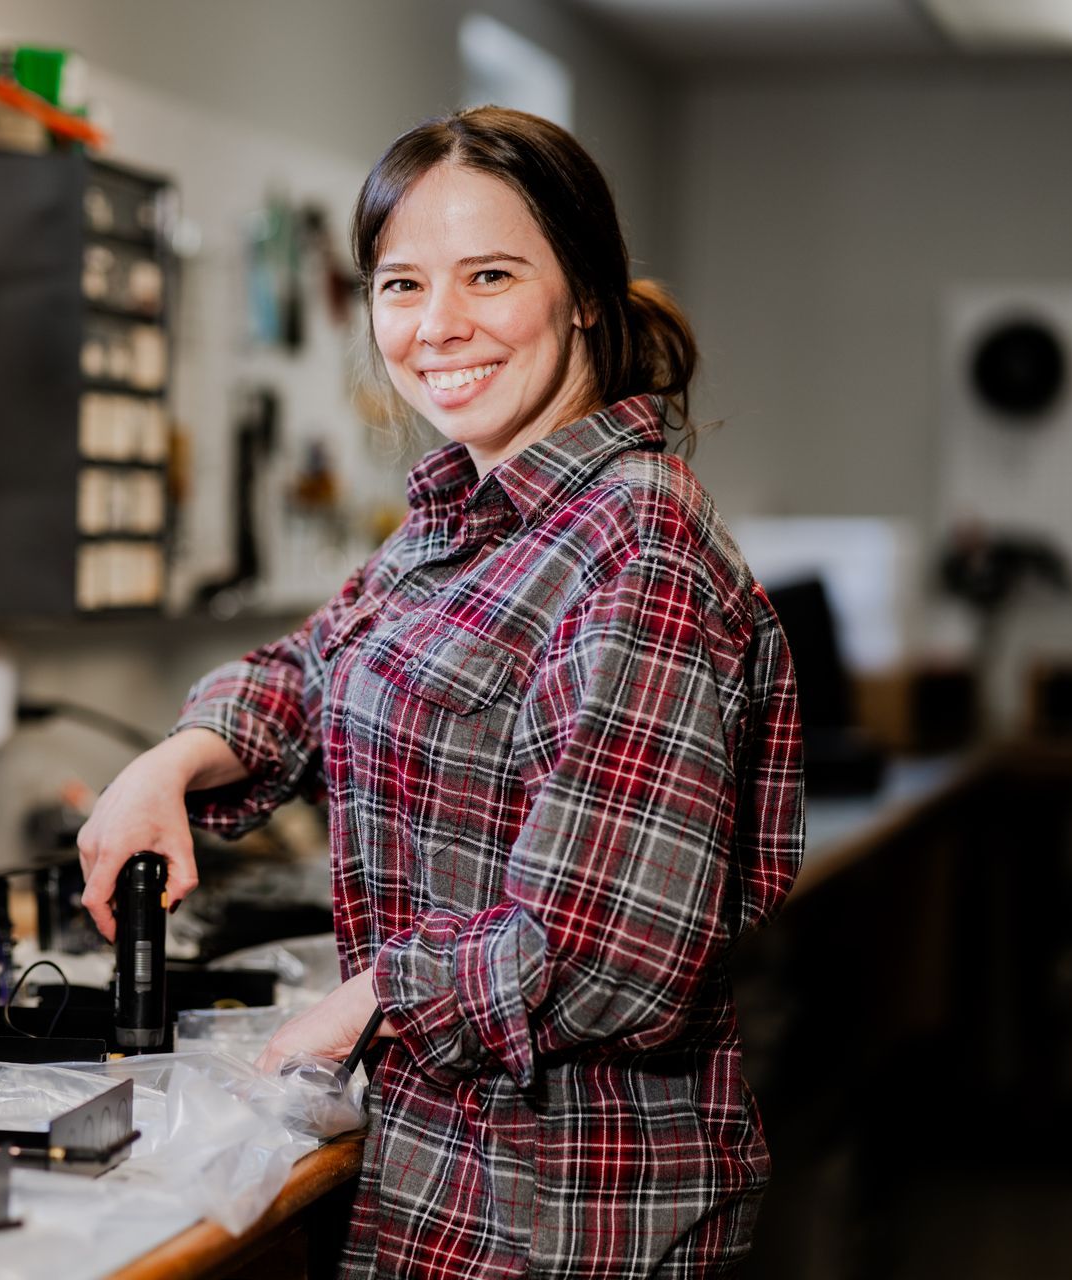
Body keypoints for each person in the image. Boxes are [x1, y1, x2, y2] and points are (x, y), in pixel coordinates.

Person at [76, 106, 805, 1279]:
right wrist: (173, 760)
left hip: (562, 1216)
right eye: (402, 284)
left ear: (582, 294)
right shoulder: (469, 518)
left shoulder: (636, 547)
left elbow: (611, 950)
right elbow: (318, 669)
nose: (438, 326)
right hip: (442, 1186)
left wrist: (368, 998)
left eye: (491, 275)